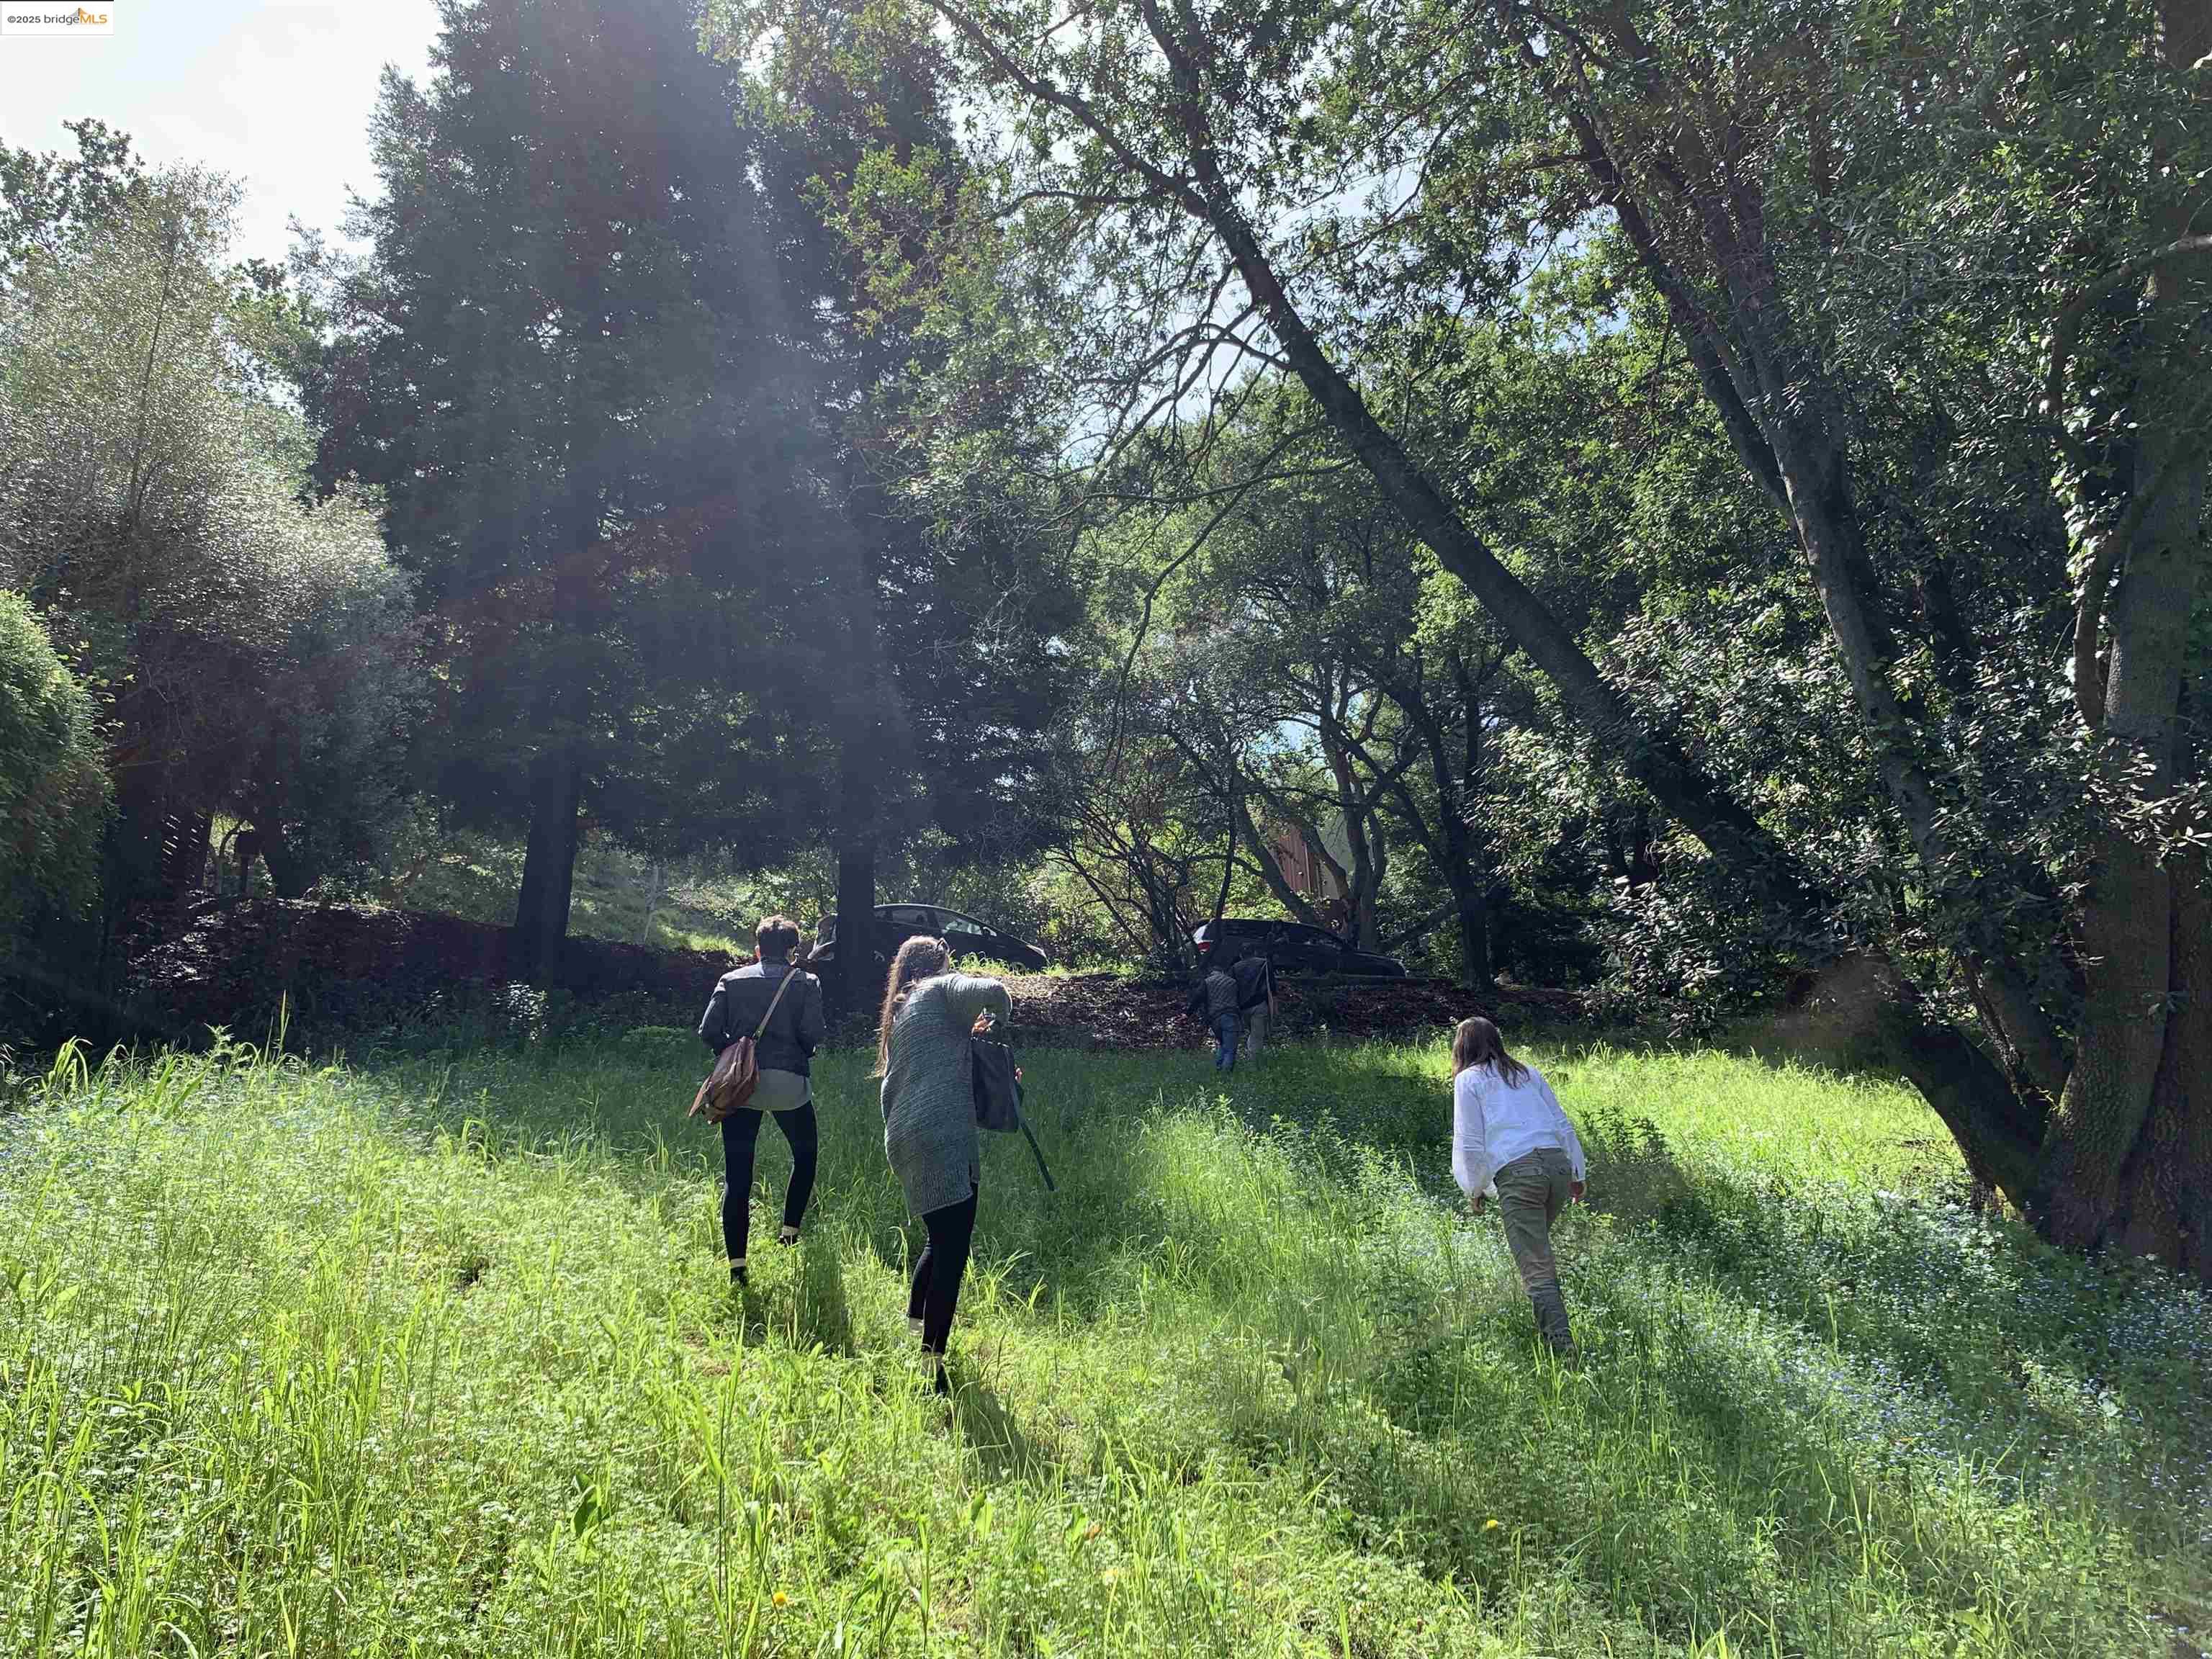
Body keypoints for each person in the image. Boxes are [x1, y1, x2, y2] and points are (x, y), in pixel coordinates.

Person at [876, 935, 1011, 1393]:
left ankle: (914, 1334)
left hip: (904, 1135)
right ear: (940, 964)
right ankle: (931, 1366)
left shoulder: (902, 1012)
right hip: (942, 1135)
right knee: (953, 1253)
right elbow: (995, 991)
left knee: (938, 1240)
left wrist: (974, 1036)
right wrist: (998, 1025)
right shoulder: (938, 989)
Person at [697, 915, 824, 1289]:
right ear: (793, 951)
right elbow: (813, 1035)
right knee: (805, 1155)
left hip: (741, 1088)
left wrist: (736, 1056)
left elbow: (708, 1030)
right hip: (789, 1083)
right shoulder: (807, 982)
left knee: (737, 1176)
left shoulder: (731, 980)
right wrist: (799, 1052)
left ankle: (737, 1268)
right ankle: (789, 1233)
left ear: (757, 950)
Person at [1449, 1016, 1588, 1359]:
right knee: (1537, 1254)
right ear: (1497, 1041)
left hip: (1520, 1173)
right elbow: (1560, 1122)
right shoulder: (1528, 1073)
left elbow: (1470, 1140)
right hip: (1556, 1166)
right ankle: (1546, 1325)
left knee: (1536, 1264)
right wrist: (1576, 1171)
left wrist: (1474, 1188)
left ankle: (1562, 1350)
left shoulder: (1469, 1079)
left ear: (1462, 1048)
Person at [1184, 960, 1242, 1071]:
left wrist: (1188, 1014)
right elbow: (1239, 1000)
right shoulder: (1232, 982)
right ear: (1223, 972)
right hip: (1230, 1016)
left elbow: (1197, 998)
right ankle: (1226, 1074)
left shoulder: (1207, 982)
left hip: (1214, 1019)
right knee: (1230, 1049)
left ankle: (1219, 1068)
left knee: (1222, 1044)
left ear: (1211, 973)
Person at [1232, 947, 1275, 1059]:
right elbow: (1271, 982)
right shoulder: (1264, 963)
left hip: (1243, 1006)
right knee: (1257, 1035)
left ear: (1241, 955)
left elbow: (1233, 987)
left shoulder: (1235, 967)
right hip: (1259, 1004)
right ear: (1254, 952)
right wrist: (1274, 998)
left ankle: (1252, 1056)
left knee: (1252, 1032)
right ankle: (1255, 1062)